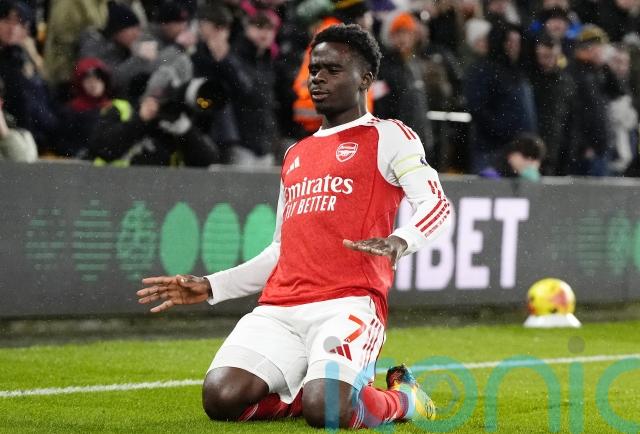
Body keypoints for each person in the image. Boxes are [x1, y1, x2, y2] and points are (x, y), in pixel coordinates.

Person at [137, 24, 452, 429]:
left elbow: (437, 204)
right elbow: (280, 252)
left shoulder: (390, 136)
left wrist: (400, 240)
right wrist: (212, 286)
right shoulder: (295, 154)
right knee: (221, 398)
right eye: (314, 69)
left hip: (348, 304)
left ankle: (404, 398)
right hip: (280, 309)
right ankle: (317, 387)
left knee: (330, 411)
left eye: (332, 69)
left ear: (365, 79)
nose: (317, 78)